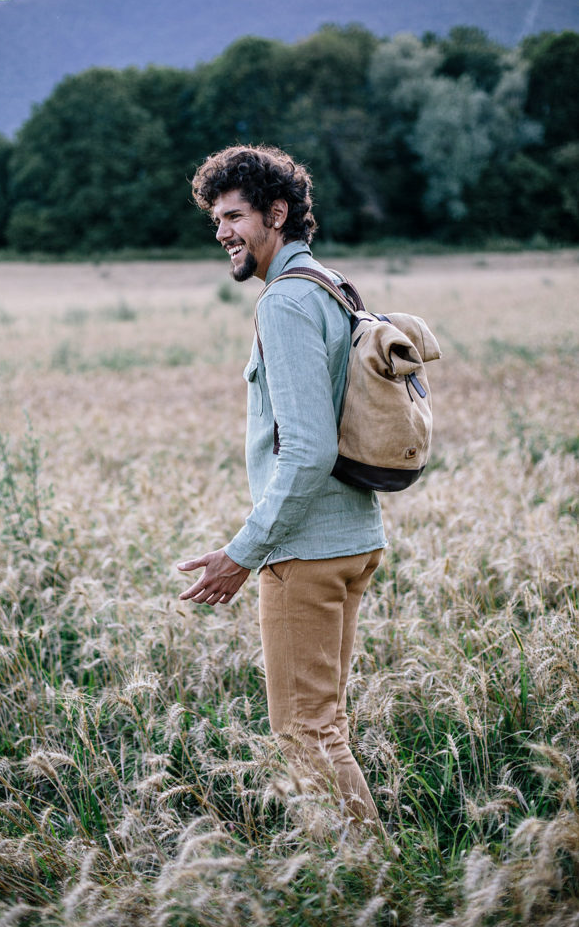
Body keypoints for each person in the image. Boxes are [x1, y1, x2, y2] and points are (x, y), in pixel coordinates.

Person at [177, 145, 386, 828]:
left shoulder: (288, 303)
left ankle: (368, 882)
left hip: (307, 550)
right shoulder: (331, 286)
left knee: (305, 730)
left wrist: (242, 552)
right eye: (216, 220)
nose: (223, 233)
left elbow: (308, 450)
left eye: (234, 216)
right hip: (350, 535)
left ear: (278, 214)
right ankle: (372, 877)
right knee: (325, 724)